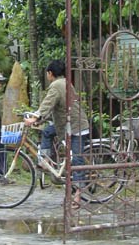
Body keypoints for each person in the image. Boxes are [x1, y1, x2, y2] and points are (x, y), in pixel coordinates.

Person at [23, 59, 90, 209]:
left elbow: (48, 103)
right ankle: (44, 161)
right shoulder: (65, 83)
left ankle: (77, 197)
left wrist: (36, 116)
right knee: (47, 132)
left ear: (50, 73)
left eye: (47, 73)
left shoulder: (56, 86)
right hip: (66, 124)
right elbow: (55, 107)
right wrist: (40, 120)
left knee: (76, 162)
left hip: (75, 127)